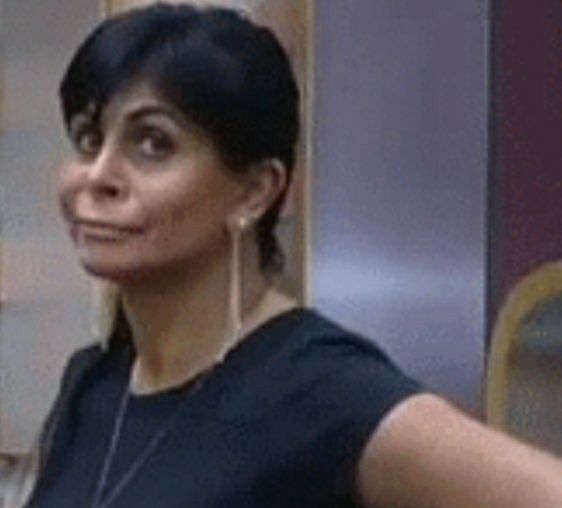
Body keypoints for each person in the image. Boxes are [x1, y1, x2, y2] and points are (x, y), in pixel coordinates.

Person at [6, 3, 562, 507]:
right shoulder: (97, 381)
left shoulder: (322, 391)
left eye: (154, 144)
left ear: (254, 192)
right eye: (88, 140)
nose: (97, 176)